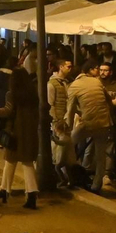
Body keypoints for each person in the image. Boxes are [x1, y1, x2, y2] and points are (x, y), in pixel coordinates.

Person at [0, 64, 41, 209]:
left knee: (12, 159)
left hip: (15, 131)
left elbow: (7, 111)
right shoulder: (32, 93)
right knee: (24, 162)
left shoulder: (11, 94)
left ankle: (7, 190)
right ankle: (18, 192)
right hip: (30, 131)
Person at [66, 62, 113, 194]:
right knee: (100, 155)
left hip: (87, 122)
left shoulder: (74, 86)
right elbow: (108, 100)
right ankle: (96, 185)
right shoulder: (97, 82)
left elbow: (69, 111)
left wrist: (68, 128)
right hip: (104, 122)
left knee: (68, 144)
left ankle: (68, 175)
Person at [46, 56, 75, 187]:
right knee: (57, 150)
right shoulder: (52, 84)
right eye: (68, 66)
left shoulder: (67, 82)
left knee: (64, 150)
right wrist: (55, 120)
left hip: (65, 120)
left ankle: (65, 176)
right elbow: (50, 103)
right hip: (58, 121)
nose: (70, 69)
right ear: (61, 67)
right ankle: (59, 176)